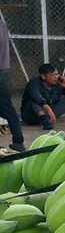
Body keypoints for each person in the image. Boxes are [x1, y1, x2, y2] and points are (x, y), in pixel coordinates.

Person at [0, 16, 24, 151]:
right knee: (7, 108)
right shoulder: (2, 24)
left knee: (6, 107)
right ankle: (18, 141)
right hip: (4, 69)